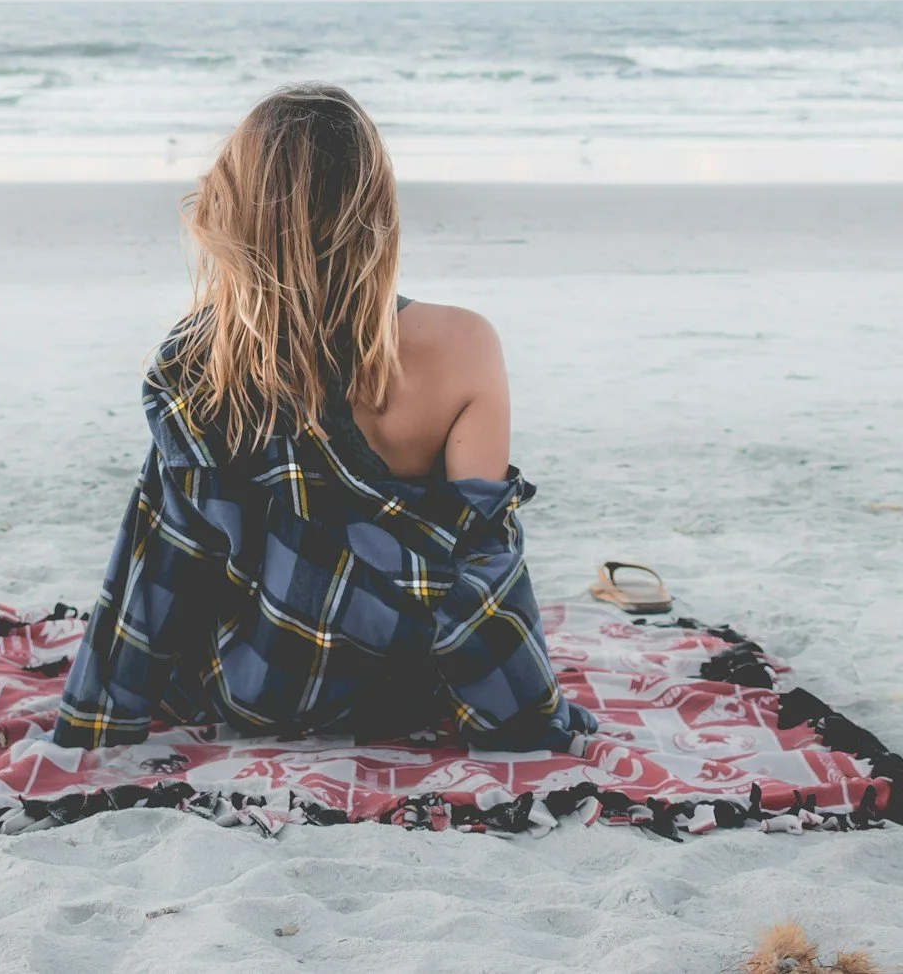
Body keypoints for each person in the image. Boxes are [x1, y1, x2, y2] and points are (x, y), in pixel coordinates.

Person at [50, 84, 593, 753]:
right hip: (413, 692)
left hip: (260, 688)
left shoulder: (200, 357)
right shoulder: (464, 343)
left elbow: (168, 559)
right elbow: (480, 564)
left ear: (244, 211)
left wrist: (96, 725)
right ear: (376, 206)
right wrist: (525, 717)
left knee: (166, 496)